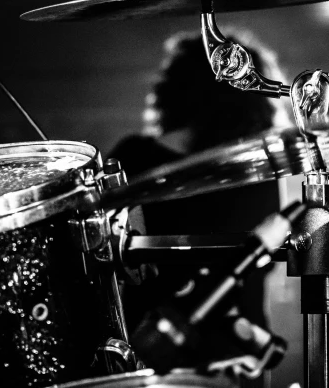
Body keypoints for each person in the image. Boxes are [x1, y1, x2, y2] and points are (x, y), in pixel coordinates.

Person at [108, 28, 291, 381]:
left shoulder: (133, 156)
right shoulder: (258, 170)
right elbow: (259, 270)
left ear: (175, 90)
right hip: (238, 359)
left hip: (150, 359)